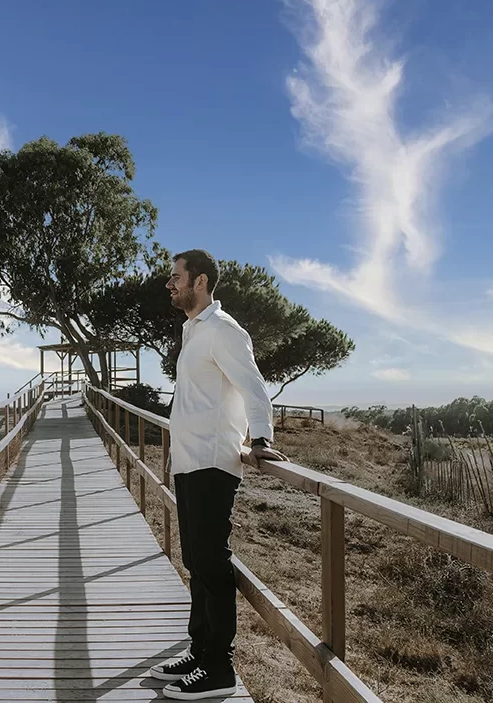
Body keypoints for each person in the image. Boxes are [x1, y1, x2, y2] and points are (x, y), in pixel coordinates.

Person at [150, 250, 288, 700]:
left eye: (176, 278)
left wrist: (262, 440)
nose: (169, 285)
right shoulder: (193, 331)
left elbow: (253, 386)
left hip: (212, 463)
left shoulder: (225, 331)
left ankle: (219, 668)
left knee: (211, 563)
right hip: (188, 463)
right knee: (195, 562)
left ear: (201, 281)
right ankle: (199, 651)